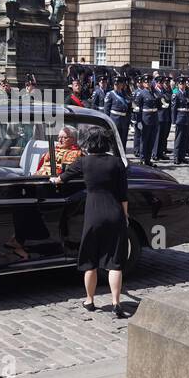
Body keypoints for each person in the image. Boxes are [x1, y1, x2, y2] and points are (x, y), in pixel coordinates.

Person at [51, 126, 129, 315]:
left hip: (94, 215)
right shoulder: (117, 163)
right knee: (115, 263)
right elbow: (123, 195)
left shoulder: (84, 162)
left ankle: (89, 300)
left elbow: (62, 178)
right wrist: (125, 217)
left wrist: (54, 180)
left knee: (90, 262)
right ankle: (116, 302)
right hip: (115, 213)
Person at [103, 75, 132, 155]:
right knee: (115, 140)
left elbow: (128, 108)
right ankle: (115, 156)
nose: (117, 86)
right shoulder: (110, 94)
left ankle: (122, 156)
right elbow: (106, 110)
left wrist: (128, 120)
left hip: (124, 120)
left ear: (122, 85)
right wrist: (107, 123)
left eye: (118, 84)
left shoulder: (125, 94)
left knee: (123, 140)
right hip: (115, 119)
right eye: (115, 84)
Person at [172, 77, 189, 164]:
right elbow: (173, 109)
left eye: (183, 83)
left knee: (185, 138)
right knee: (178, 138)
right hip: (180, 117)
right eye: (181, 84)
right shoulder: (176, 94)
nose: (182, 85)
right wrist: (174, 121)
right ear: (178, 85)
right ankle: (176, 157)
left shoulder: (187, 94)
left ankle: (182, 156)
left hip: (186, 117)